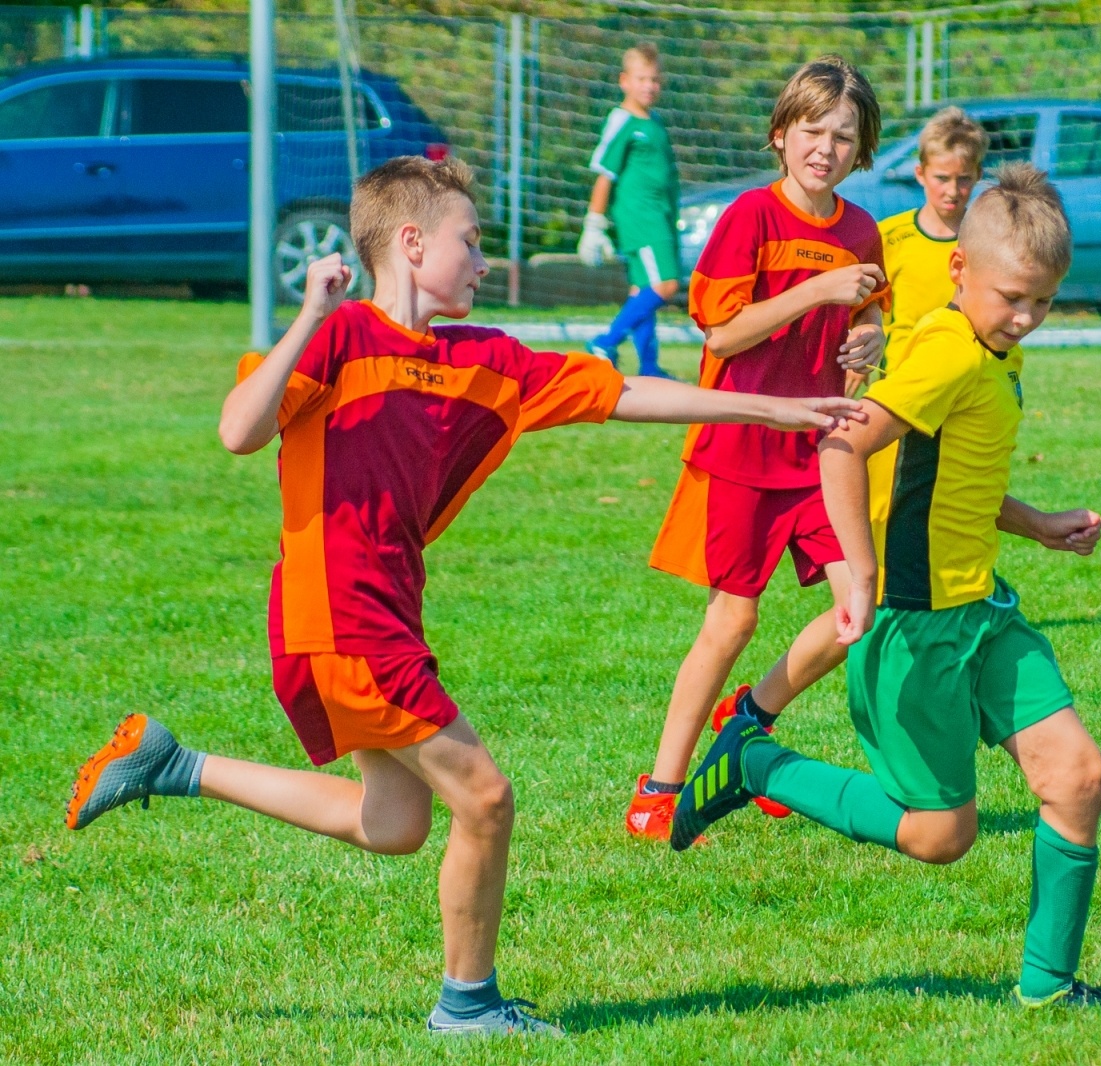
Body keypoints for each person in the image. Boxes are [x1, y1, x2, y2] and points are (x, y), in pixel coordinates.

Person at [64, 155, 860, 1038]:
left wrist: (773, 412)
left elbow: (624, 390)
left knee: (394, 822)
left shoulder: (482, 360)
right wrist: (308, 316)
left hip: (382, 613)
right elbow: (238, 429)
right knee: (485, 798)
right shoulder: (337, 338)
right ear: (411, 244)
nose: (483, 263)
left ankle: (173, 765)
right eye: (470, 243)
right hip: (343, 617)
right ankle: (468, 1006)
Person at [671, 164, 1101, 1010]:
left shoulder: (989, 348)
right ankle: (758, 763)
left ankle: (1050, 990)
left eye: (1044, 304)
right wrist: (861, 572)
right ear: (960, 273)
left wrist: (1039, 523)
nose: (1025, 318)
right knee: (942, 835)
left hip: (982, 610)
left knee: (1080, 777)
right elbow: (840, 446)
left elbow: (954, 480)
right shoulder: (949, 352)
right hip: (914, 626)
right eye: (1014, 298)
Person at [625, 56, 888, 841]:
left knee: (858, 613)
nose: (826, 148)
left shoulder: (862, 229)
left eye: (844, 136)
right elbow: (721, 331)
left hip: (820, 457)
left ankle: (748, 718)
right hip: (741, 448)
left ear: (862, 149)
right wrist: (812, 291)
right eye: (812, 131)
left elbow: (869, 318)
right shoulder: (749, 218)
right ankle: (663, 785)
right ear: (781, 136)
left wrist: (867, 339)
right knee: (732, 620)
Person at [580, 41, 680, 378]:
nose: (649, 86)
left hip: (659, 217)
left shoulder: (654, 122)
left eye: (654, 79)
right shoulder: (622, 121)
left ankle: (649, 366)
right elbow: (604, 175)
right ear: (624, 81)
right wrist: (594, 224)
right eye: (641, 79)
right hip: (642, 220)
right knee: (666, 285)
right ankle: (605, 341)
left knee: (642, 291)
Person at [878, 107, 988, 372]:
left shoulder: (987, 239)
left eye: (963, 179)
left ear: (978, 176)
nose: (952, 191)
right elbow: (865, 310)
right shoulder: (888, 236)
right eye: (941, 178)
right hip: (900, 377)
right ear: (920, 173)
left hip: (965, 377)